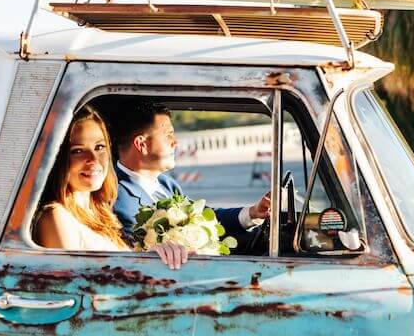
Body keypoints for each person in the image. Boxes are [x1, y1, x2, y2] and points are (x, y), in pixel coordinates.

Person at [34, 105, 188, 269]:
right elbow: (74, 285)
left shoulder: (102, 213)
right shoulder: (56, 216)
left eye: (99, 147)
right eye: (77, 151)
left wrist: (155, 255)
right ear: (59, 158)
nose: (93, 159)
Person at [108, 100, 271, 237]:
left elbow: (200, 217)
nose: (175, 142)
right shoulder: (119, 200)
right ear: (141, 144)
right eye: (168, 135)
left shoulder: (166, 184)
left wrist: (252, 213)